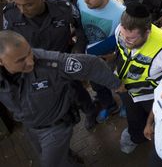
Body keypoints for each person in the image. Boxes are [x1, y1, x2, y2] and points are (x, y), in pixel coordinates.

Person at [0, 30, 124, 167]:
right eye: (20, 60)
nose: (30, 62)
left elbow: (92, 64)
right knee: (49, 155)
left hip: (55, 127)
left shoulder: (51, 64)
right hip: (30, 126)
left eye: (29, 52)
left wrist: (116, 84)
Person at [2, 0, 99, 130]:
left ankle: (90, 112)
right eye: (18, 4)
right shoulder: (10, 15)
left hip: (62, 62)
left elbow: (80, 27)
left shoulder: (63, 8)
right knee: (49, 102)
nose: (22, 10)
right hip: (34, 68)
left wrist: (78, 49)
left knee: (77, 91)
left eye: (28, 4)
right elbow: (7, 42)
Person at [114, 5, 162, 154]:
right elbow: (121, 54)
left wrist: (152, 118)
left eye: (131, 38)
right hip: (127, 91)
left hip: (152, 97)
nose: (126, 41)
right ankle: (136, 136)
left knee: (161, 123)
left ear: (147, 31)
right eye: (123, 34)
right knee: (133, 117)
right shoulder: (120, 32)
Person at [75, 0, 126, 123]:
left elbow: (124, 40)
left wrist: (115, 53)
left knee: (119, 80)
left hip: (111, 58)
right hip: (90, 55)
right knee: (97, 84)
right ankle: (108, 105)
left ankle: (125, 104)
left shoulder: (120, 13)